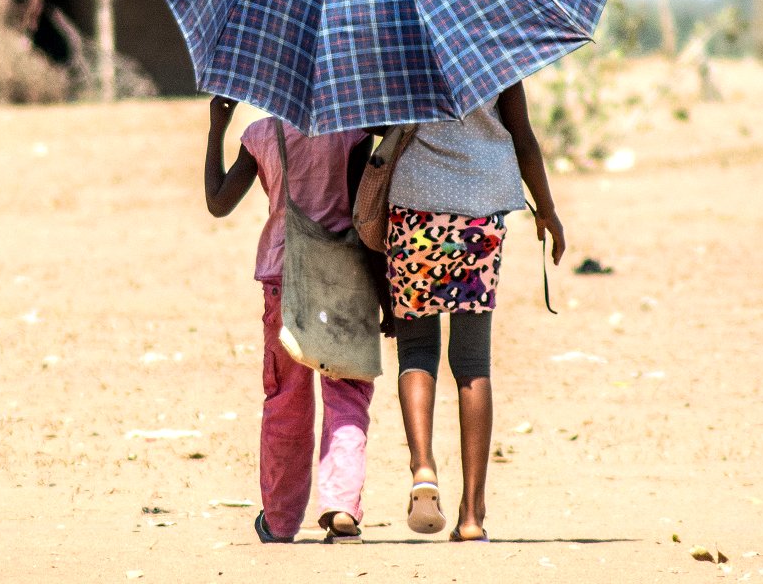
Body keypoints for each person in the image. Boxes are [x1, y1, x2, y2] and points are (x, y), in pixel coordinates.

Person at [376, 80, 565, 542]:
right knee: (472, 363)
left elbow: (374, 129)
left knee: (417, 351)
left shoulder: (398, 49)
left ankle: (423, 467)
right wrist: (547, 210)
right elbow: (522, 137)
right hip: (479, 217)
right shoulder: (492, 55)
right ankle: (472, 514)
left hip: (413, 211)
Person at [204, 96, 375, 545]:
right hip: (344, 273)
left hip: (283, 274)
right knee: (347, 392)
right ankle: (340, 504)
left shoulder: (262, 134)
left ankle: (279, 520)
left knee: (285, 398)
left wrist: (216, 129)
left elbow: (218, 202)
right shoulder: (354, 132)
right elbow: (363, 214)